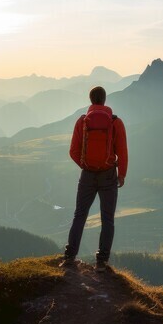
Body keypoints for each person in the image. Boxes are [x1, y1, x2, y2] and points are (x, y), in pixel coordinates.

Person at [60, 86, 127, 273]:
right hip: (108, 175)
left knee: (79, 216)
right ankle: (101, 262)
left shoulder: (82, 122)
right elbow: (122, 151)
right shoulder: (116, 122)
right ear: (105, 100)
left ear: (90, 100)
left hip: (87, 175)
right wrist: (121, 173)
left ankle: (69, 257)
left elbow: (73, 151)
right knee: (108, 219)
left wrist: (85, 165)